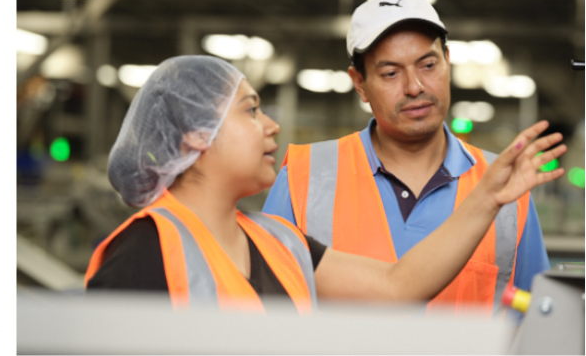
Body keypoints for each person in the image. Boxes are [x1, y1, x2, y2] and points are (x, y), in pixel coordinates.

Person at [85, 55, 565, 314]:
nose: (272, 126)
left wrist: (486, 196)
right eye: (251, 111)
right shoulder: (142, 253)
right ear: (195, 134)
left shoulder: (279, 242)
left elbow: (398, 286)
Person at [262, 0, 553, 313]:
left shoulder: (505, 188)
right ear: (359, 83)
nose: (415, 86)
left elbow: (540, 316)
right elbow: (268, 312)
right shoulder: (304, 179)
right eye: (391, 73)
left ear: (447, 62)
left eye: (428, 65)